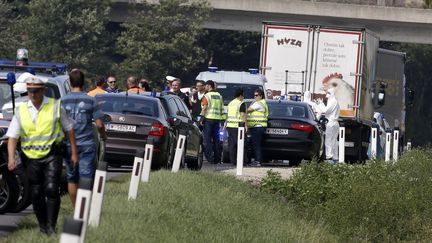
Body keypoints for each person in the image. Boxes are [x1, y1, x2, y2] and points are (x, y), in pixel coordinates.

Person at [6, 74, 78, 235]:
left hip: (53, 154)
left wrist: (74, 152)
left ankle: (51, 226)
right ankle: (43, 225)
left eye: (36, 91)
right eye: (30, 91)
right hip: (31, 157)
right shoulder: (22, 110)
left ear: (43, 90)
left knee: (52, 189)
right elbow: (12, 137)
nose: (33, 94)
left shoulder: (55, 106)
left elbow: (69, 129)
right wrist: (11, 158)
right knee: (36, 192)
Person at [61, 69, 107, 206]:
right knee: (86, 177)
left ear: (70, 83)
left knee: (72, 178)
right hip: (87, 144)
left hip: (68, 144)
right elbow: (99, 125)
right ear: (83, 82)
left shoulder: (62, 101)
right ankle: (84, 207)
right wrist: (104, 136)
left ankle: (76, 208)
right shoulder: (91, 101)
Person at [200, 80, 225, 164]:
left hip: (208, 120)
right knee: (216, 140)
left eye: (205, 86)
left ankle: (209, 158)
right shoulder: (219, 95)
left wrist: (201, 119)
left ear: (209, 86)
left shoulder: (207, 96)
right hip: (217, 120)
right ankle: (217, 159)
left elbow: (204, 108)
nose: (204, 87)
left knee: (207, 140)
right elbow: (222, 108)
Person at [317, 84, 340, 163]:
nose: (327, 95)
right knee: (334, 141)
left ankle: (329, 157)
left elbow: (325, 111)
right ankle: (335, 157)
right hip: (334, 123)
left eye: (329, 93)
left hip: (331, 123)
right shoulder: (334, 101)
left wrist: (320, 103)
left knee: (329, 141)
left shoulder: (333, 101)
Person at [247, 89, 268, 167]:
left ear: (261, 96)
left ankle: (258, 161)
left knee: (256, 145)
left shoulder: (259, 103)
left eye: (256, 95)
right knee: (256, 144)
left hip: (258, 127)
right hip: (257, 126)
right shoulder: (261, 103)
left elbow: (248, 110)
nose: (254, 97)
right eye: (254, 95)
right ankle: (257, 160)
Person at [225, 88, 247, 165]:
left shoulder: (231, 103)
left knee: (232, 145)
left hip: (230, 125)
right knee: (241, 144)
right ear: (240, 95)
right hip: (238, 125)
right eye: (243, 95)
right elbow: (242, 115)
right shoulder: (241, 103)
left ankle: (233, 161)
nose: (243, 97)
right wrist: (245, 125)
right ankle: (242, 161)